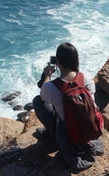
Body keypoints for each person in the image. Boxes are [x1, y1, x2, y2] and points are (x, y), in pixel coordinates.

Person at [33, 42, 104, 170]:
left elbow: (43, 96)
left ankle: (53, 135)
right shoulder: (86, 78)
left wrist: (47, 75)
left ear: (58, 62)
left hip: (69, 132)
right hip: (90, 126)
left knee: (37, 101)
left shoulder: (51, 87)